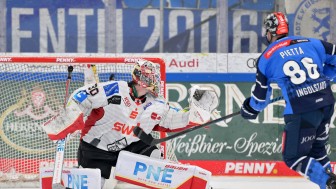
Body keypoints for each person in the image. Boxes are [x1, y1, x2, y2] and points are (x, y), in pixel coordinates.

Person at [43, 59, 219, 188]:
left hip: (130, 146)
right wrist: (70, 116)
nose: (155, 83)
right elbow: (82, 95)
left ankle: (186, 182)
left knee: (157, 158)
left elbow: (169, 119)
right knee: (95, 183)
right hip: (95, 150)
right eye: (151, 79)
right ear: (142, 79)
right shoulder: (115, 89)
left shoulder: (155, 103)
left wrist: (193, 116)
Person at [240, 12, 336, 189]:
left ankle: (329, 183)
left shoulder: (266, 58)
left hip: (301, 110)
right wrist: (325, 76)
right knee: (317, 150)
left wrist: (249, 109)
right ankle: (329, 184)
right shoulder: (311, 42)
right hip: (326, 103)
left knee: (293, 157)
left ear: (269, 33)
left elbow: (260, 100)